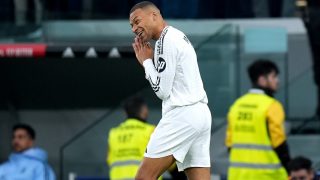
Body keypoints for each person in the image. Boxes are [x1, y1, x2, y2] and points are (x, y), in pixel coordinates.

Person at [130, 1, 212, 180]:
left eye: (137, 21)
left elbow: (162, 91)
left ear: (154, 15)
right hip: (201, 114)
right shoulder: (177, 36)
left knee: (144, 177)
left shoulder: (165, 40)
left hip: (182, 115)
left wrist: (146, 62)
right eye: (131, 25)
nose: (134, 29)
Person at [225, 60, 291, 180]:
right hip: (269, 175)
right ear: (262, 79)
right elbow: (279, 143)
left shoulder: (237, 105)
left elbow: (230, 144)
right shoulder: (272, 106)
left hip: (238, 175)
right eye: (274, 76)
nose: (277, 80)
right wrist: (289, 168)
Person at [107, 96, 187, 180]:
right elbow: (171, 164)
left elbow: (109, 160)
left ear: (125, 112)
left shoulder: (113, 133)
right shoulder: (152, 131)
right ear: (144, 110)